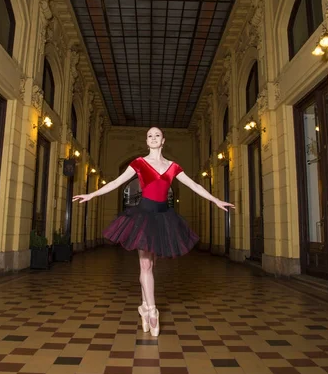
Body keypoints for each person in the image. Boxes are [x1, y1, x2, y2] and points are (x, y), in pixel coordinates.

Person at [73, 127, 234, 337]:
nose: (153, 138)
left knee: (151, 264)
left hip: (164, 217)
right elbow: (116, 182)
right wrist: (92, 194)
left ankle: (143, 305)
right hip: (144, 215)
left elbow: (194, 185)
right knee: (145, 264)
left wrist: (215, 200)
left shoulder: (173, 167)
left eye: (157, 135)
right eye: (150, 135)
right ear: (147, 141)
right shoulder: (139, 163)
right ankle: (152, 310)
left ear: (163, 140)